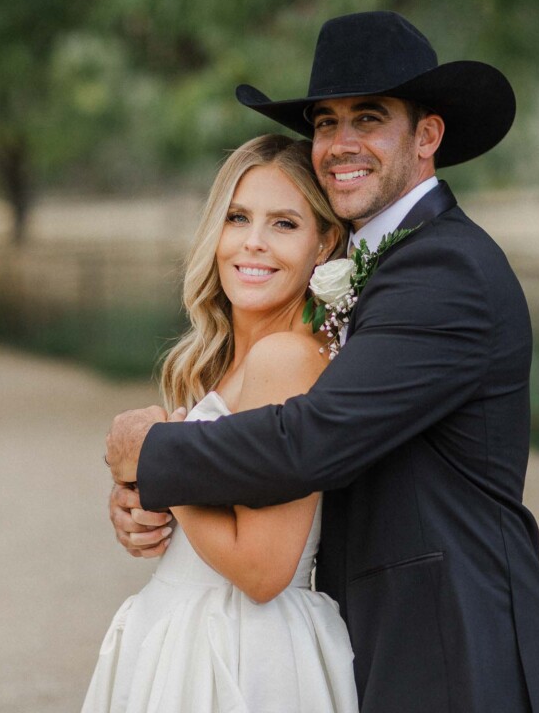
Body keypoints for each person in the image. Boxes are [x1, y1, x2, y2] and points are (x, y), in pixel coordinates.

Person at [106, 11, 539, 712]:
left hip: (449, 640)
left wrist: (154, 455)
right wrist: (151, 501)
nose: (340, 144)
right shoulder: (367, 264)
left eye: (369, 118)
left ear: (428, 136)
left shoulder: (445, 269)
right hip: (376, 628)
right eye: (326, 122)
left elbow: (312, 437)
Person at [81, 134, 358, 712]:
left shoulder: (287, 359)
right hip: (181, 630)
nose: (253, 243)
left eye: (284, 224)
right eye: (238, 217)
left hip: (237, 652)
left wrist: (159, 457)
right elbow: (205, 511)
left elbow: (263, 568)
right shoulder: (216, 363)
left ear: (324, 242)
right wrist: (139, 507)